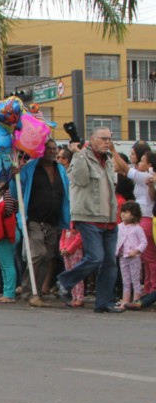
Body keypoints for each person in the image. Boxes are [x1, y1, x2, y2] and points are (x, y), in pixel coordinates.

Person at [58, 128, 124, 313]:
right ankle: (65, 281)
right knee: (96, 257)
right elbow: (80, 179)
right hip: (88, 216)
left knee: (110, 262)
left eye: (109, 139)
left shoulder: (108, 160)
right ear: (92, 140)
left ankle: (103, 302)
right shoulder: (81, 157)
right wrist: (77, 154)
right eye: (103, 139)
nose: (107, 142)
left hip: (109, 218)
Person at [13, 139, 70, 303]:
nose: (52, 152)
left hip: (53, 220)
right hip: (34, 219)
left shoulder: (60, 170)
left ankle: (35, 292)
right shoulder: (30, 168)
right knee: (38, 253)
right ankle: (29, 291)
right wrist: (13, 176)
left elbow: (66, 192)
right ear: (41, 151)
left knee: (47, 257)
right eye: (49, 149)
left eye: (54, 149)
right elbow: (17, 189)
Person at [112, 145, 156, 295]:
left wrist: (112, 149)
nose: (139, 164)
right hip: (143, 218)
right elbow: (124, 169)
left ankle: (152, 287)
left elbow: (126, 168)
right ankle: (149, 286)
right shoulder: (144, 177)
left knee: (149, 257)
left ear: (150, 165)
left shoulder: (147, 177)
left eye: (142, 161)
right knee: (145, 257)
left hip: (147, 217)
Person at [0, 182, 19, 303]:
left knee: (7, 264)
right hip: (2, 232)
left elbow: (7, 211)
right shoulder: (2, 195)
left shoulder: (9, 194)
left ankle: (9, 293)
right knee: (3, 264)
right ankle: (7, 291)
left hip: (7, 232)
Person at [116, 200, 146, 308]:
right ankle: (125, 301)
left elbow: (144, 242)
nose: (123, 214)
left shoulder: (138, 228)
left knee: (135, 279)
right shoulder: (119, 227)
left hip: (134, 258)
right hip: (122, 256)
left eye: (126, 212)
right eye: (122, 211)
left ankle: (136, 300)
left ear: (133, 215)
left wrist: (137, 251)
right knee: (125, 279)